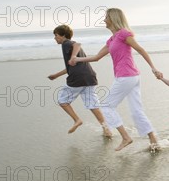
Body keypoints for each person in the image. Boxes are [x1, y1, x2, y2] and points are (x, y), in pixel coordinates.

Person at [69, 8, 161, 152]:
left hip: (126, 77)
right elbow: (97, 57)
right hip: (130, 77)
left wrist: (153, 68)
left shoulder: (124, 34)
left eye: (106, 17)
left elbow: (141, 49)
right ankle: (153, 140)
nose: (104, 20)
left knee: (106, 106)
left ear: (113, 18)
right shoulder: (112, 39)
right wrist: (77, 59)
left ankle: (125, 137)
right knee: (136, 111)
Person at [47, 25, 112, 137]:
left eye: (56, 35)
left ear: (63, 35)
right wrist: (56, 75)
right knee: (92, 104)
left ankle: (77, 120)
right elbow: (70, 67)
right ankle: (106, 129)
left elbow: (77, 44)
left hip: (77, 78)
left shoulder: (66, 43)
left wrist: (72, 57)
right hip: (89, 77)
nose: (55, 38)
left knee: (63, 101)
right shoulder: (68, 46)